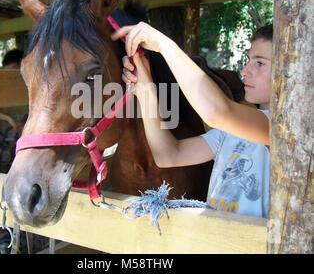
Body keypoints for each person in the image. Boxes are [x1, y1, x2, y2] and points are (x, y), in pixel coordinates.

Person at [112, 23, 273, 218]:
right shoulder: (230, 133)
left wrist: (165, 45)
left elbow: (216, 112)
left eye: (260, 63)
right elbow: (168, 155)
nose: (245, 71)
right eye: (249, 60)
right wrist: (146, 89)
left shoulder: (281, 128)